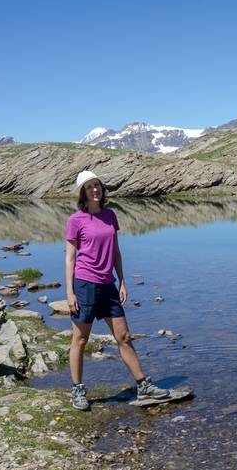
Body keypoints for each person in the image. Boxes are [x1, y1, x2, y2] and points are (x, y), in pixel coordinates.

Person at [65, 170, 171, 410]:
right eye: (90, 187)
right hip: (85, 284)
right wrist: (70, 293)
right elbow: (70, 258)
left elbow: (116, 251)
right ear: (83, 192)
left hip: (108, 284)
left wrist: (122, 280)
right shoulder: (75, 220)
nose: (95, 190)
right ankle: (78, 390)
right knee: (80, 339)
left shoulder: (110, 215)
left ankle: (143, 385)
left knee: (123, 337)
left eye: (97, 185)